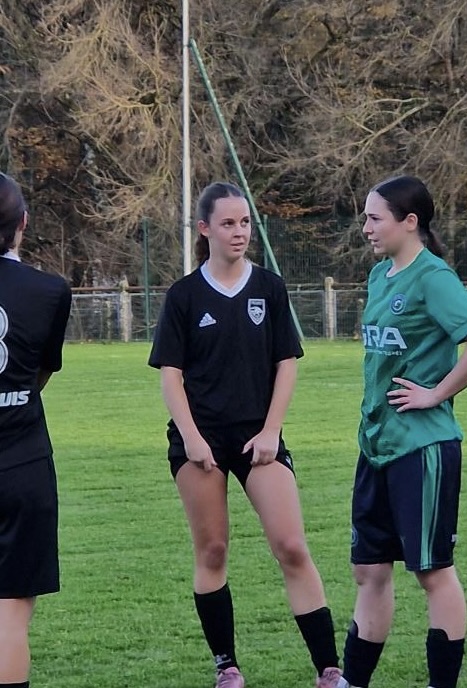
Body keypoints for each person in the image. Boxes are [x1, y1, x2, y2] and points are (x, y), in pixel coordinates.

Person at [148, 182, 346, 688]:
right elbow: (170, 376)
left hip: (259, 437)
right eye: (228, 223)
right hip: (200, 442)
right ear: (205, 229)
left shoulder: (270, 288)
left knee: (292, 546)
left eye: (244, 222)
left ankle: (329, 670)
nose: (239, 232)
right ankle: (227, 667)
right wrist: (192, 438)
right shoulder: (183, 295)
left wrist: (271, 430)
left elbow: (287, 364)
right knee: (213, 550)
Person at [343, 176, 467, 688]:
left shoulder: (434, 277)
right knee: (369, 571)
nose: (366, 227)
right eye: (365, 218)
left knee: (432, 571)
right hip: (377, 446)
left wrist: (435, 393)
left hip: (423, 447)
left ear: (410, 222)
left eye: (375, 218)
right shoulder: (379, 276)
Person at [0, 172, 72, 688]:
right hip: (21, 464)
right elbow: (39, 375)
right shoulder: (51, 291)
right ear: (23, 223)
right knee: (10, 613)